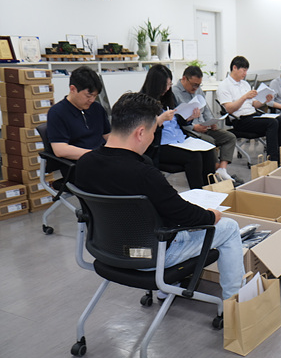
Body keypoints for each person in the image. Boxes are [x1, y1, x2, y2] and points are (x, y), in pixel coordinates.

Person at [75, 92, 244, 299]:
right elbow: (184, 216)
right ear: (140, 132)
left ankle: (167, 289)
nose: (153, 139)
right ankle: (235, 301)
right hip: (148, 256)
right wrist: (210, 216)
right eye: (154, 132)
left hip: (105, 249)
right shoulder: (144, 174)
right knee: (229, 227)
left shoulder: (84, 164)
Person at [140, 64, 217, 189]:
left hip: (179, 139)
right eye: (165, 85)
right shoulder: (143, 102)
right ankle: (198, 193)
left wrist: (189, 118)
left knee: (208, 150)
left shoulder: (167, 97)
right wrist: (160, 119)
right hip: (160, 144)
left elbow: (178, 121)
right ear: (156, 84)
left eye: (169, 84)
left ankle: (210, 189)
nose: (167, 88)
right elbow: (143, 130)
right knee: (194, 156)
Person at [172, 66, 240, 182]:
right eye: (194, 85)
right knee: (209, 141)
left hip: (204, 126)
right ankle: (213, 173)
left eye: (199, 85)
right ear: (184, 79)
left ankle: (222, 170)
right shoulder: (174, 93)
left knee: (229, 137)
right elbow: (175, 119)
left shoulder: (198, 90)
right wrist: (194, 127)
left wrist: (212, 121)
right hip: (188, 130)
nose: (196, 88)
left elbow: (206, 109)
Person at [217, 55, 281, 163]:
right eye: (243, 70)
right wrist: (244, 97)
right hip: (240, 120)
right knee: (272, 123)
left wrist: (264, 100)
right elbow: (229, 109)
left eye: (246, 70)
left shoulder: (245, 84)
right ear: (235, 68)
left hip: (253, 115)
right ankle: (273, 160)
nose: (245, 73)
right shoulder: (224, 86)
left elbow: (254, 104)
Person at [47, 65, 110, 160]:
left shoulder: (97, 108)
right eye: (88, 96)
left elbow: (107, 136)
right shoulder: (57, 112)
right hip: (80, 161)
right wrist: (95, 155)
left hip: (101, 157)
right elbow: (60, 150)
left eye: (95, 96)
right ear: (73, 89)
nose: (92, 100)